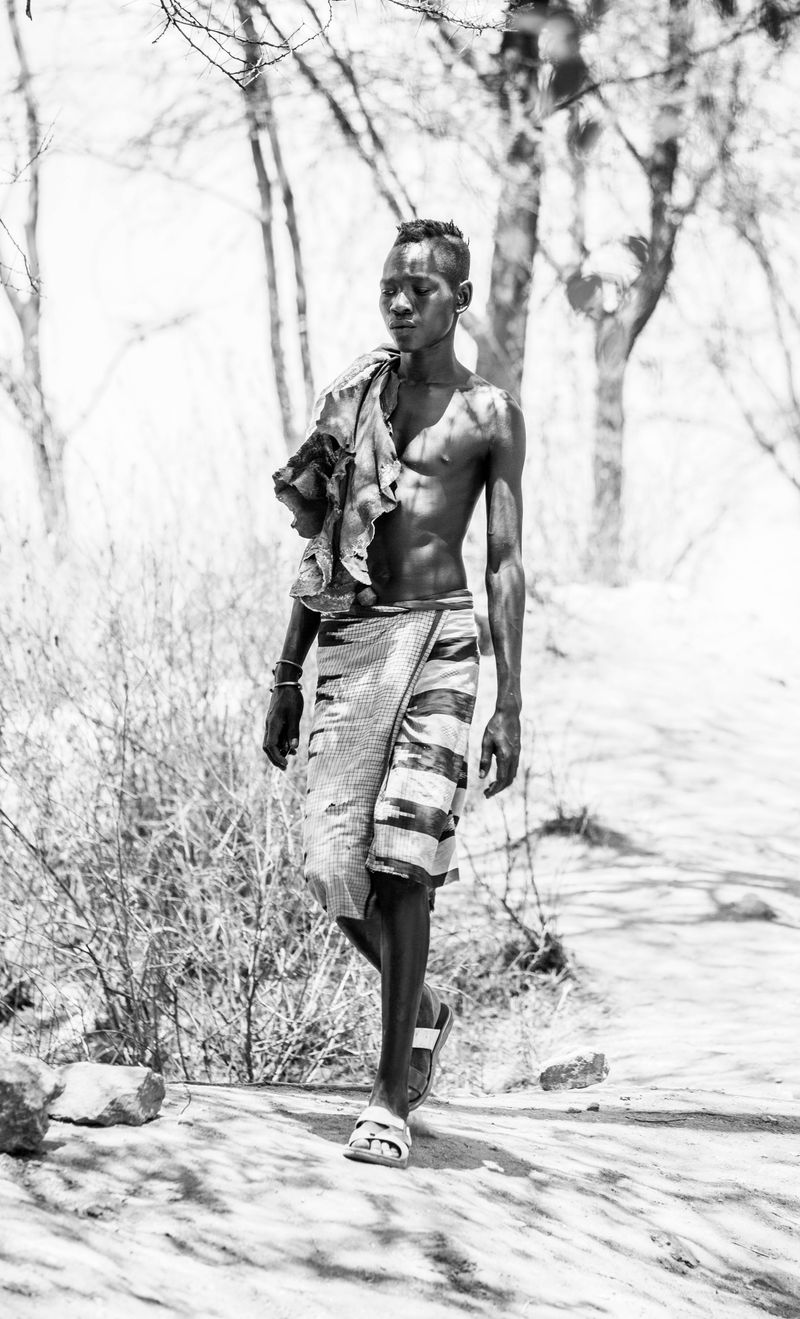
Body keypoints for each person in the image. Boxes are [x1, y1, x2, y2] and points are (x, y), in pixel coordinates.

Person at [264, 218, 525, 1169]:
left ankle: (388, 1095)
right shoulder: (350, 401)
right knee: (333, 864)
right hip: (354, 638)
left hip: (445, 639)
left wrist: (511, 701)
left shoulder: (491, 415)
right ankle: (421, 1006)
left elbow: (503, 563)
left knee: (405, 856)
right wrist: (286, 673)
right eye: (390, 287)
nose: (402, 301)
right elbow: (319, 543)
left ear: (459, 299)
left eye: (422, 287)